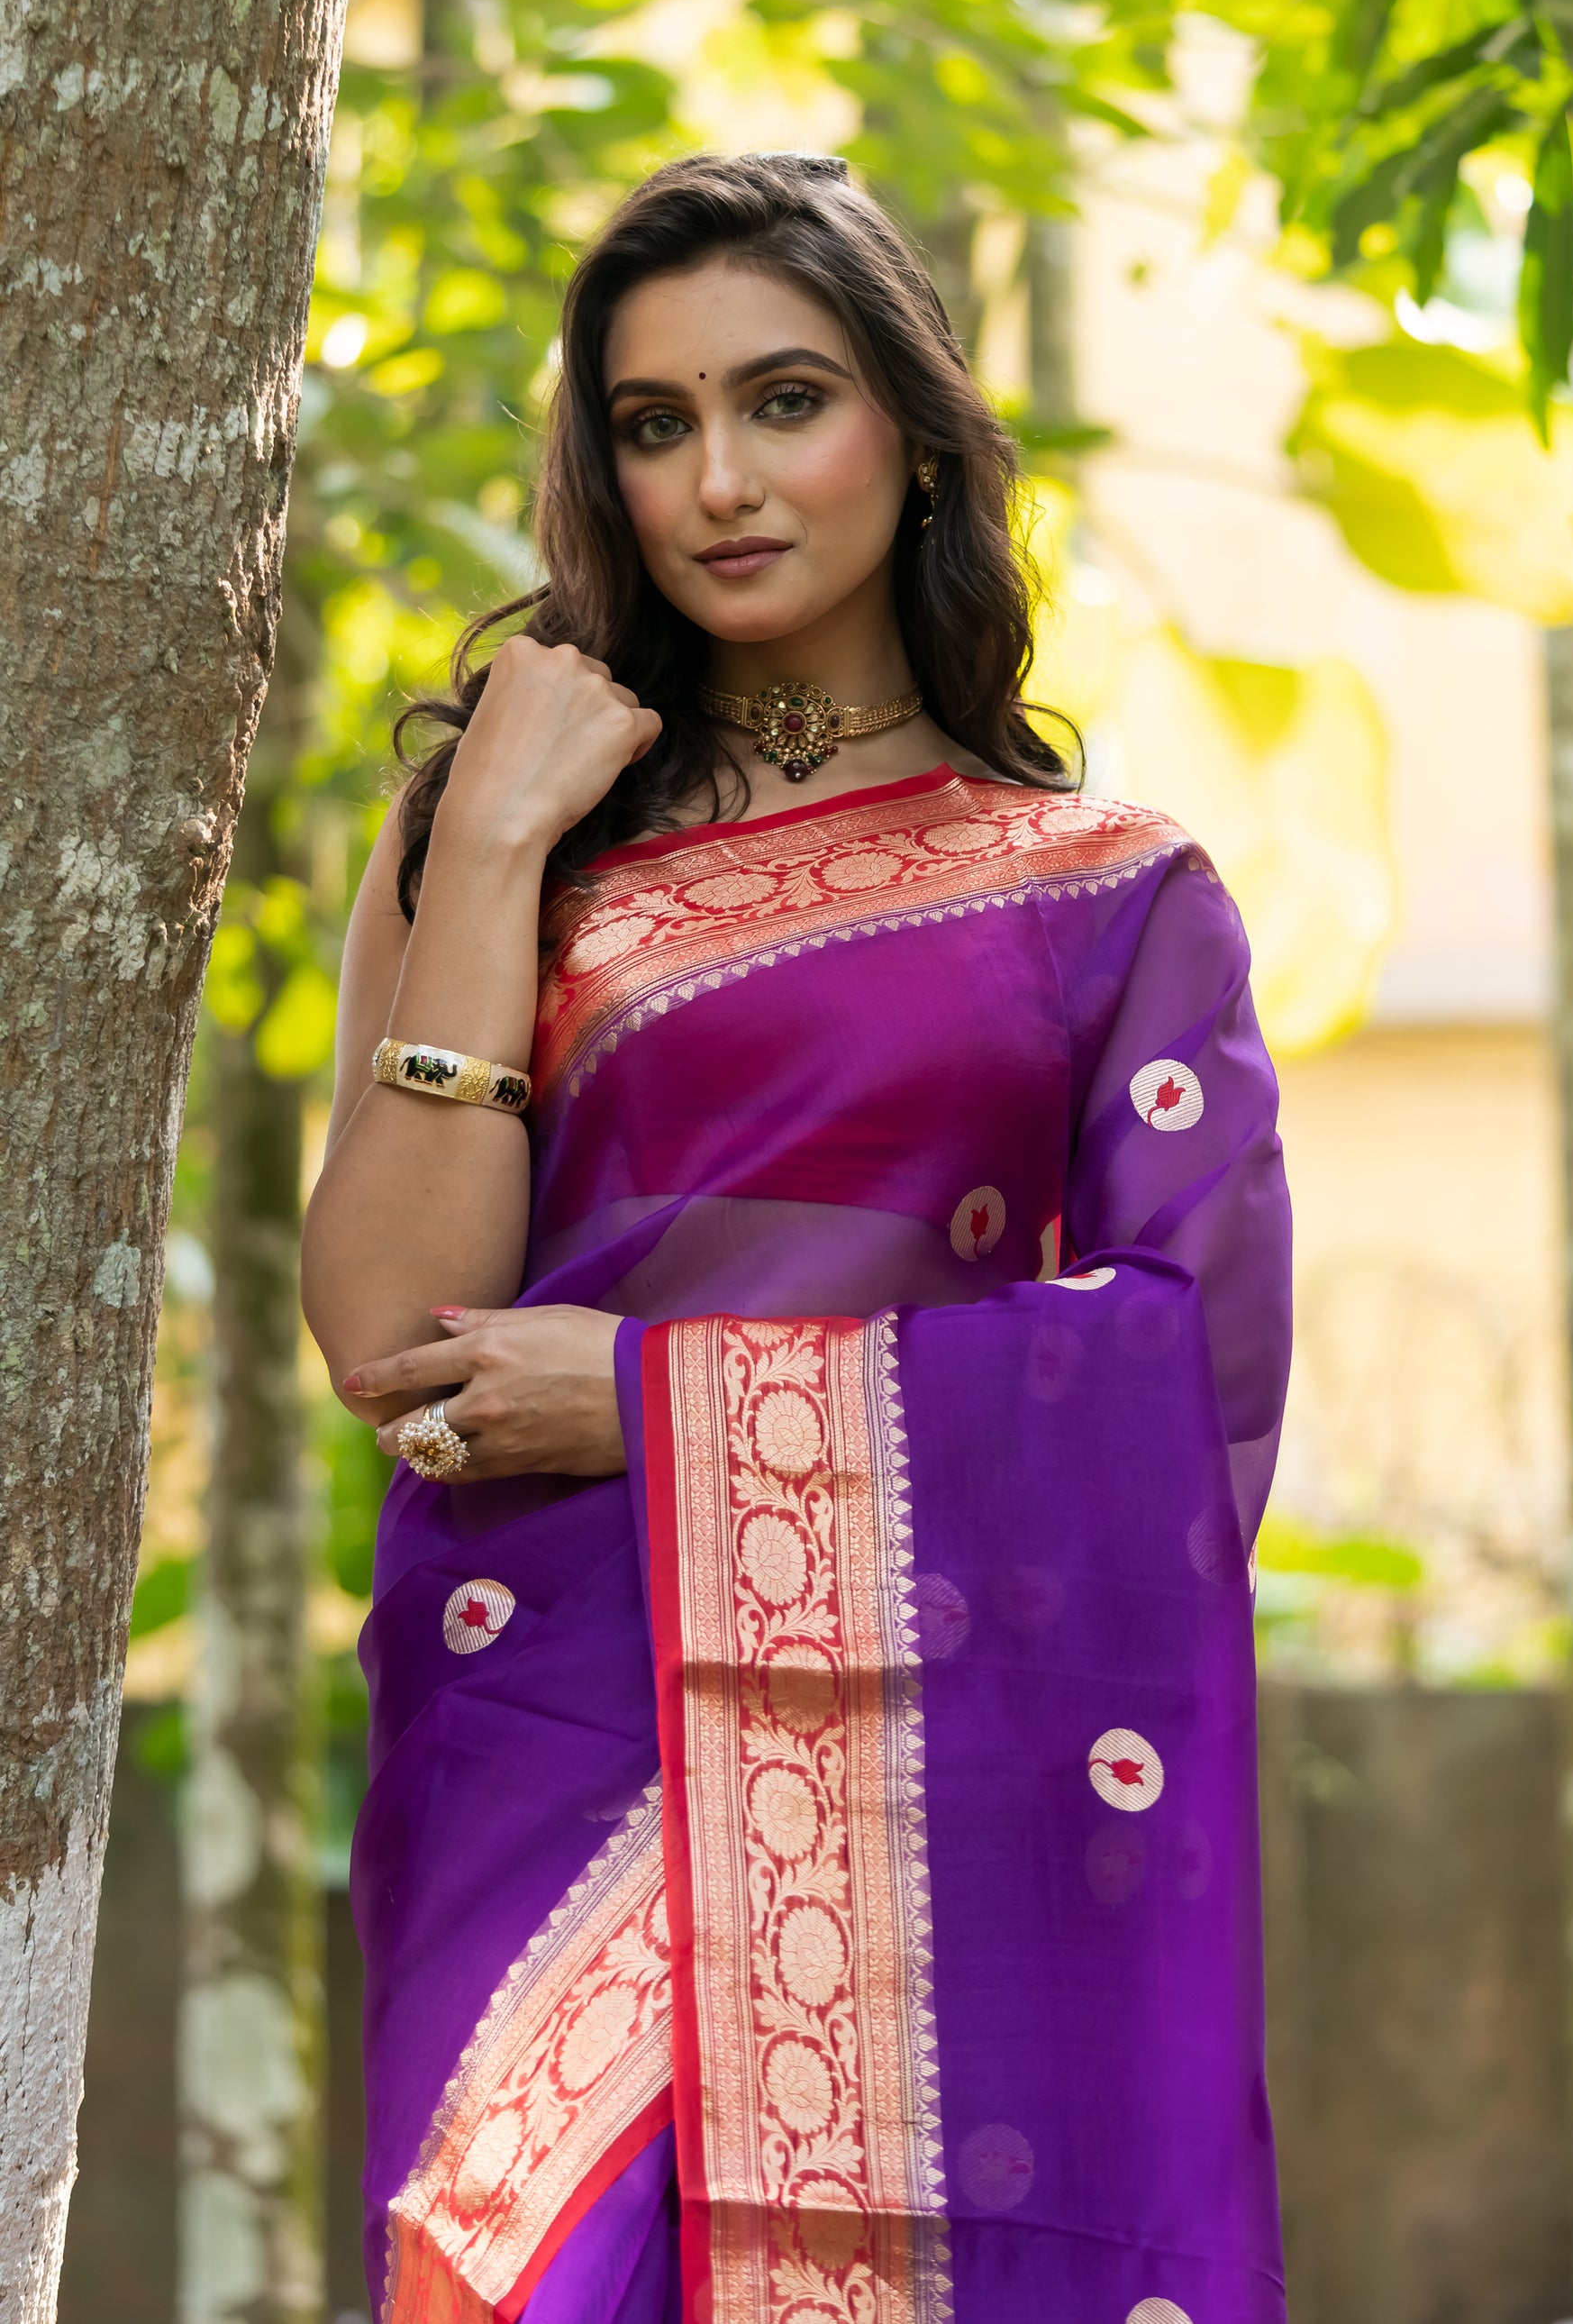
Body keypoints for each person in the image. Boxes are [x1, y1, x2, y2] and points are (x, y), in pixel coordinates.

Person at [302, 150, 1293, 2324]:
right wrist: (495, 838)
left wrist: (654, 1399)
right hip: (544, 1728)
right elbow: (390, 1330)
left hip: (930, 1767)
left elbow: (1179, 1357)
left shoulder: (1102, 892)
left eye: (784, 399)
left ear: (914, 436)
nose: (720, 481)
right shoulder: (511, 834)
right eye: (652, 424)